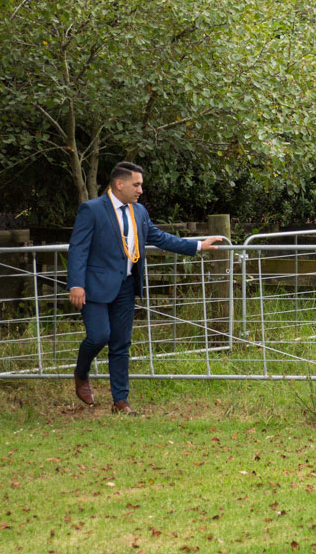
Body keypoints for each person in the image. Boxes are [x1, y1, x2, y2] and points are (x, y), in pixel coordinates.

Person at [67, 161, 224, 412]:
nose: (140, 190)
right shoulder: (92, 209)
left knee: (120, 343)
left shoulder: (139, 211)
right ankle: (81, 372)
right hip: (94, 287)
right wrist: (76, 284)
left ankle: (120, 400)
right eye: (136, 184)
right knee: (99, 336)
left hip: (127, 287)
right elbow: (78, 248)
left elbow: (160, 238)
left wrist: (196, 246)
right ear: (120, 184)